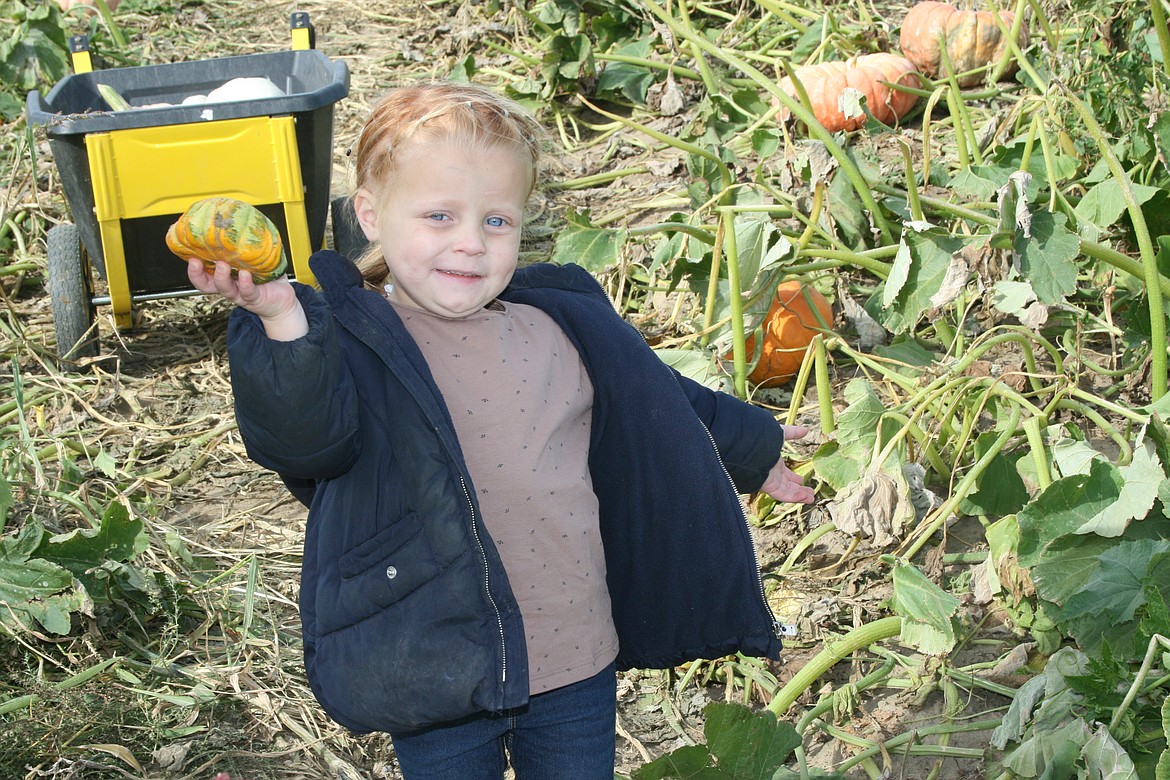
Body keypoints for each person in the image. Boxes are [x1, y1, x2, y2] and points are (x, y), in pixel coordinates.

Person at [186, 81, 817, 780]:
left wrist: (753, 450)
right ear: (370, 214)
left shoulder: (557, 326)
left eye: (496, 222)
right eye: (438, 216)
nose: (469, 243)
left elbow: (655, 403)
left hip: (574, 654)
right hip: (435, 658)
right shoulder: (355, 342)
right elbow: (304, 441)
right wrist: (280, 320)